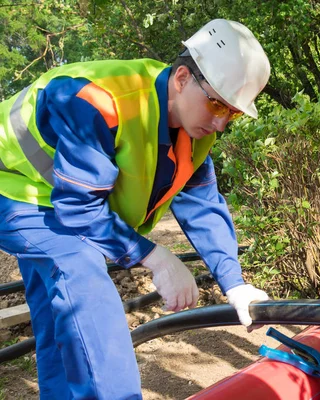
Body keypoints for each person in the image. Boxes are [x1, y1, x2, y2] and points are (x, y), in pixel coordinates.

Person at [0, 19, 270, 399]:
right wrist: (158, 258)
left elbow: (203, 206)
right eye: (217, 104)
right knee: (81, 274)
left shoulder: (195, 129)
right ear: (181, 78)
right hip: (14, 187)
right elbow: (78, 209)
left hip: (57, 198)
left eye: (234, 114)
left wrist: (235, 283)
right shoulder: (101, 101)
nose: (222, 123)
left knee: (58, 321)